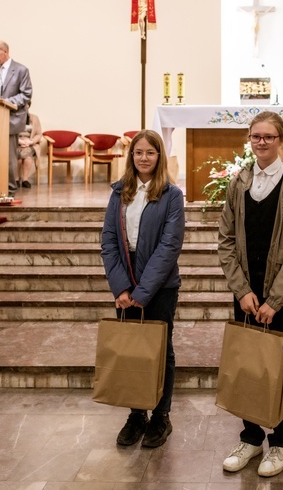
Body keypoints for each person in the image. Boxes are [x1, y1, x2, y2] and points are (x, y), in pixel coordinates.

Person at [217, 111, 283, 478]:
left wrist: (275, 299)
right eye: (256, 136)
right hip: (246, 290)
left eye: (269, 137)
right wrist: (242, 290)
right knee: (247, 360)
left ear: (281, 140)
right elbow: (225, 240)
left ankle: (282, 440)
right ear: (249, 139)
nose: (261, 142)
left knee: (275, 363)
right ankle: (251, 437)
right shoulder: (239, 181)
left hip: (279, 292)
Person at [100, 129, 185, 449]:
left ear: (159, 156)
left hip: (160, 284)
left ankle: (161, 416)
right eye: (139, 153)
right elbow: (108, 240)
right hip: (126, 278)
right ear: (131, 156)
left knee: (161, 350)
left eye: (150, 152)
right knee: (132, 349)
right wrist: (121, 287)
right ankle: (137, 414)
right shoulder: (120, 191)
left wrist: (143, 292)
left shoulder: (172, 195)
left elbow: (169, 247)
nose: (144, 158)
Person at [0, 40, 33, 194]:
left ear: (5, 52)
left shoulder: (21, 70)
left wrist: (6, 102)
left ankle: (9, 188)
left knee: (8, 156)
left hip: (10, 117)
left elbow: (26, 94)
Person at [16, 103, 42, 188]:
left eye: (26, 105)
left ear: (29, 106)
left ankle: (25, 180)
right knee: (18, 158)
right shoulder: (13, 116)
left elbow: (38, 134)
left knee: (27, 157)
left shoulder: (34, 118)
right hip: (16, 142)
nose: (25, 107)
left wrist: (30, 142)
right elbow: (9, 133)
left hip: (30, 143)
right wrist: (19, 141)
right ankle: (16, 179)